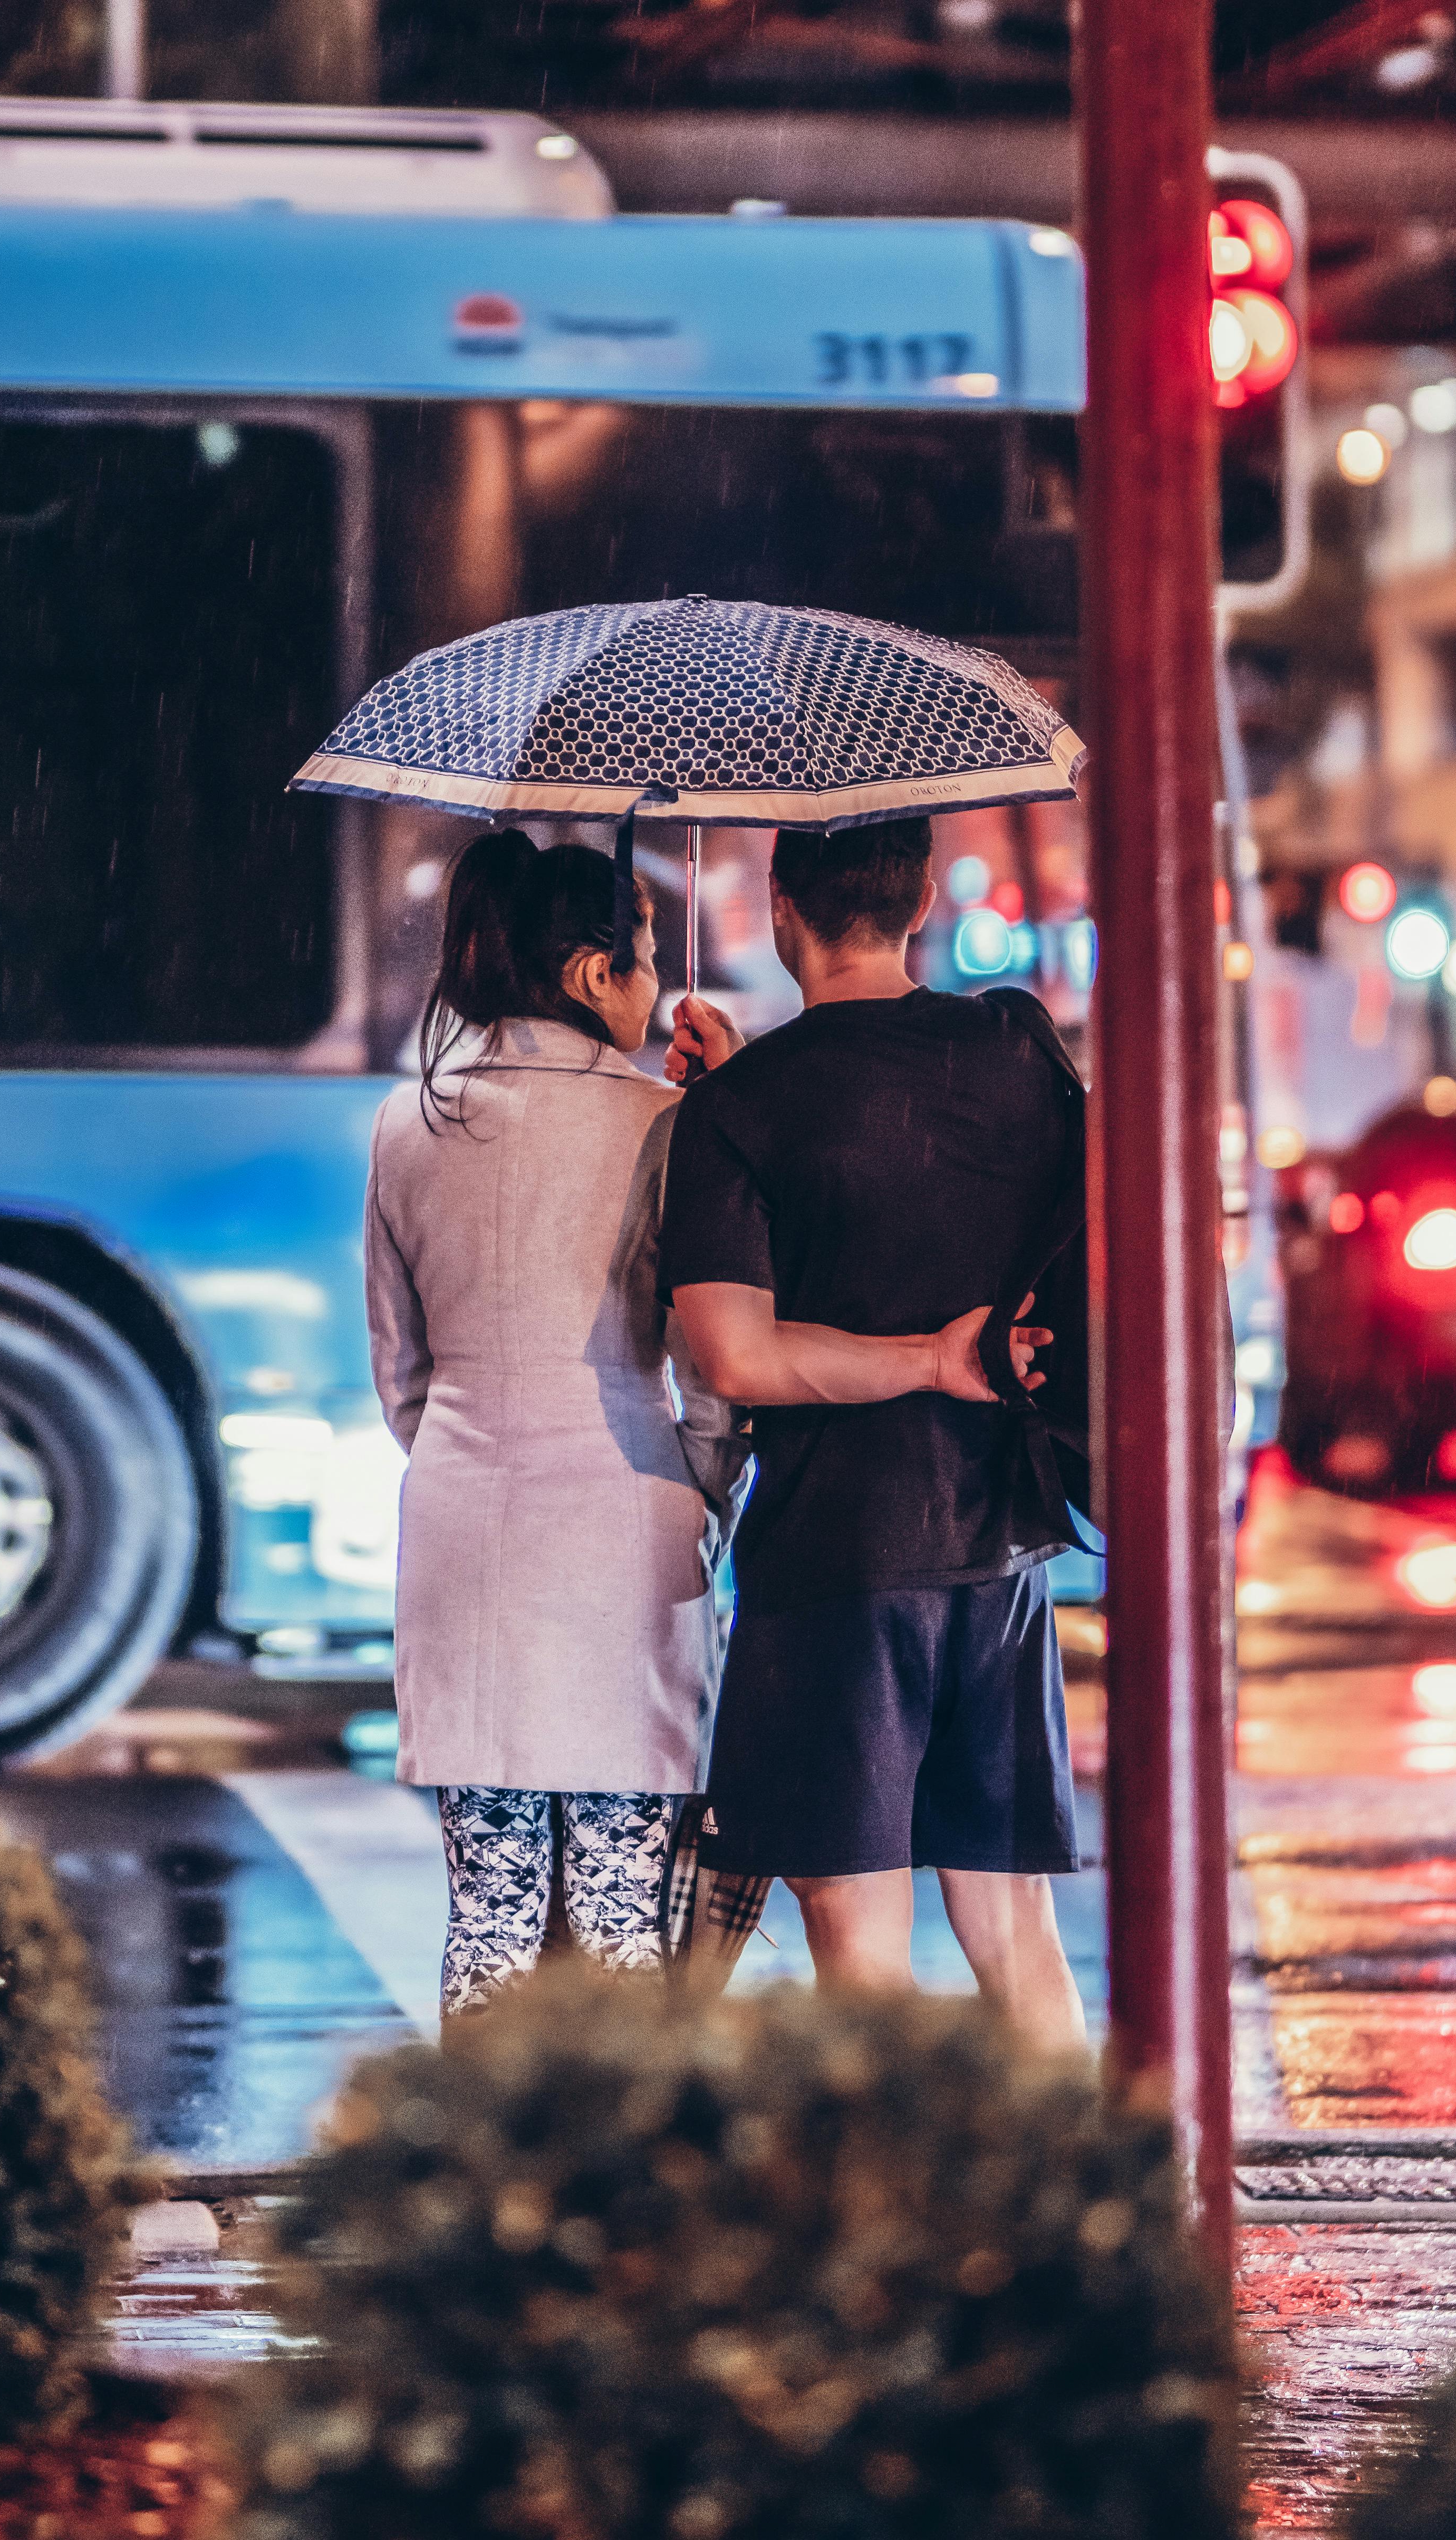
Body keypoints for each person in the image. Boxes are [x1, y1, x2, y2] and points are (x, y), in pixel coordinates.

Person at [364, 827, 1011, 2022]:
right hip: (624, 1523)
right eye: (645, 958)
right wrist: (704, 1492)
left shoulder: (412, 1124)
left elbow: (399, 1372)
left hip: (457, 1527)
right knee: (621, 1900)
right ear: (591, 976)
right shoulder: (666, 1122)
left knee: (489, 1907)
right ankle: (612, 2183)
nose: (655, 984)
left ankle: (482, 2175)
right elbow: (716, 1382)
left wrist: (466, 1450)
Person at [660, 815, 1091, 2053]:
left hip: (833, 1565)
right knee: (1012, 1931)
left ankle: (901, 2237)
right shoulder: (1012, 1044)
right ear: (915, 909)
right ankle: (1085, 2214)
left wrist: (926, 1361)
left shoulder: (738, 1112)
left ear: (780, 908)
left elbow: (735, 1356)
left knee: (857, 1941)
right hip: (1000, 1540)